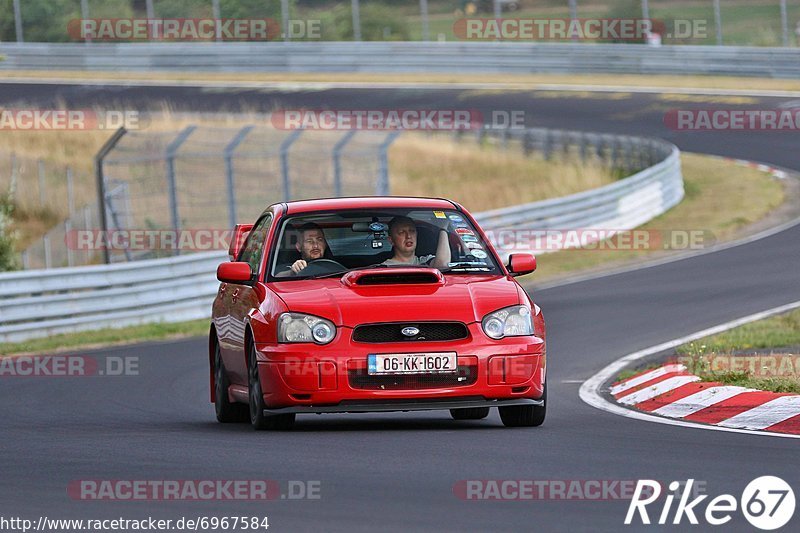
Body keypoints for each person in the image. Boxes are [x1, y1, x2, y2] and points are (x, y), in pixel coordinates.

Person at [382, 215, 451, 269]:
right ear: (391, 240)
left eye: (412, 231)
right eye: (402, 232)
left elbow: (442, 264)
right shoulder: (384, 267)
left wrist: (443, 229)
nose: (408, 236)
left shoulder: (425, 261)